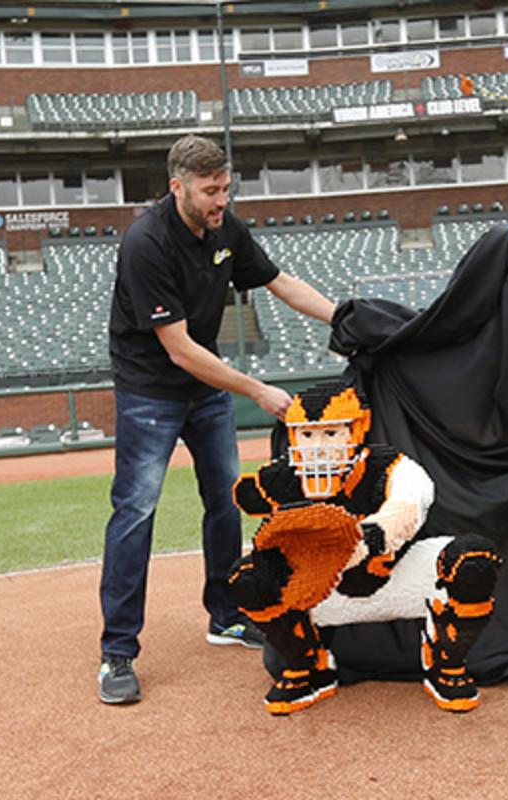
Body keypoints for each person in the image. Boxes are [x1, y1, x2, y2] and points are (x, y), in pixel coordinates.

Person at [98, 135, 336, 705]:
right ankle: (117, 651)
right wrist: (258, 390)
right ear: (177, 186)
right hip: (151, 392)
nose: (220, 200)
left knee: (226, 500)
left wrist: (345, 318)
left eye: (226, 188)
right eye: (209, 191)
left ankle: (226, 615)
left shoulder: (227, 227)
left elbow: (279, 283)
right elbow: (178, 348)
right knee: (135, 513)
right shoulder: (145, 242)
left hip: (204, 392)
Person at [230, 380, 501, 714]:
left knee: (473, 559)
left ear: (355, 430)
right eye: (308, 434)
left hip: (393, 577)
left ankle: (446, 662)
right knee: (247, 577)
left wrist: (365, 538)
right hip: (319, 589)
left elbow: (410, 501)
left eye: (331, 434)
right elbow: (249, 496)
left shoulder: (387, 464)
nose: (318, 446)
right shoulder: (282, 475)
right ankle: (307, 665)